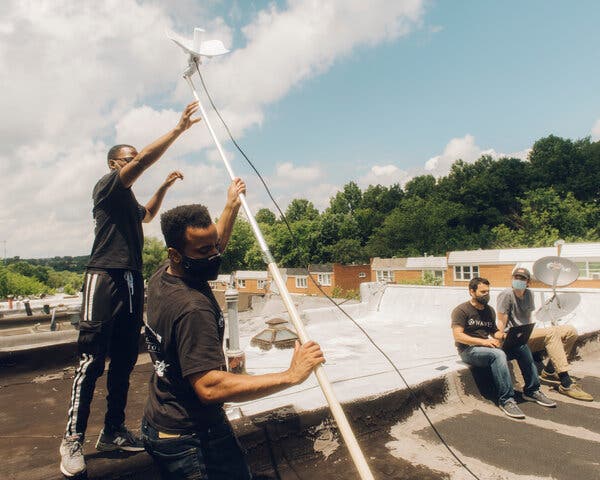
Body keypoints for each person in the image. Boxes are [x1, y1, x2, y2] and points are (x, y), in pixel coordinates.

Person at [141, 185, 325, 479]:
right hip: (193, 441)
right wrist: (291, 375)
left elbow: (211, 244)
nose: (216, 254)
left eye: (215, 244)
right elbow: (210, 387)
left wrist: (231, 207)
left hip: (161, 420)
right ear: (175, 255)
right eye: (205, 250)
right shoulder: (193, 309)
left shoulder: (165, 275)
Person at [59, 101, 201, 478]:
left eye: (135, 158)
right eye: (129, 159)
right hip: (103, 276)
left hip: (131, 279)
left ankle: (113, 431)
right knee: (91, 362)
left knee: (123, 360)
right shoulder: (106, 188)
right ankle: (72, 439)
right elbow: (140, 166)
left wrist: (166, 186)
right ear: (114, 165)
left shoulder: (127, 200)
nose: (134, 162)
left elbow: (148, 215)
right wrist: (177, 130)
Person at [451, 277, 556, 419]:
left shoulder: (489, 310)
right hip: (469, 350)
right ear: (472, 291)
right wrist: (483, 342)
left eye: (488, 291)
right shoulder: (461, 310)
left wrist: (504, 335)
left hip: (488, 347)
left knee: (522, 347)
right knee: (498, 355)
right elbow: (458, 336)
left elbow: (493, 331)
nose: (486, 294)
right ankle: (506, 400)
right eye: (482, 291)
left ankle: (532, 390)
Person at [497, 267, 593, 401]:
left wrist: (534, 339)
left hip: (527, 334)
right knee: (551, 332)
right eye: (516, 277)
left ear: (528, 282)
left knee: (570, 331)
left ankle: (549, 371)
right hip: (512, 338)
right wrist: (499, 339)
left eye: (522, 278)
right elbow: (501, 322)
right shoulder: (506, 294)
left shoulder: (529, 294)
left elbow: (527, 319)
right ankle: (565, 382)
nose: (518, 280)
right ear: (512, 279)